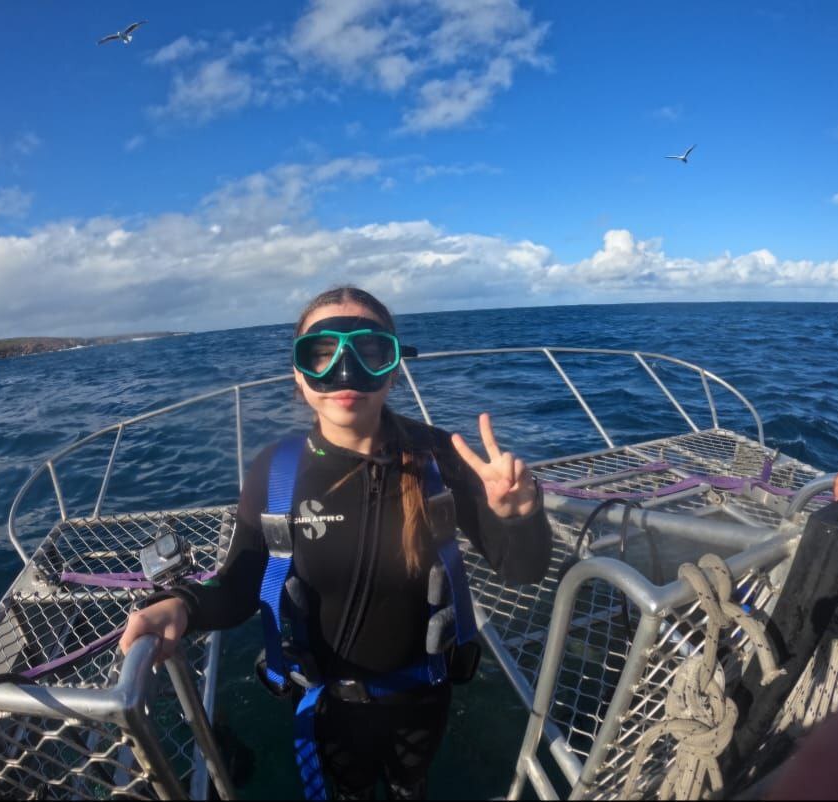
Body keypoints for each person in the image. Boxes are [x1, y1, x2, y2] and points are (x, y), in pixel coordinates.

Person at [120, 286, 553, 800]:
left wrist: (519, 517)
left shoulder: (439, 457)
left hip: (423, 696)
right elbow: (240, 584)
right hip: (327, 707)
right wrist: (182, 604)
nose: (345, 373)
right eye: (321, 354)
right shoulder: (275, 471)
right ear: (298, 374)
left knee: (410, 788)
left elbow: (523, 569)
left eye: (370, 352)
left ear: (394, 369)